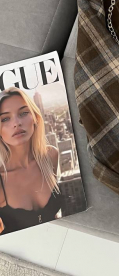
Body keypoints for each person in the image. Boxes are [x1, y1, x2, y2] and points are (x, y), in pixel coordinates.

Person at [0, 87, 63, 235]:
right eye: (5, 119)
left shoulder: (50, 156)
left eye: (23, 113)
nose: (17, 123)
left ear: (35, 118)